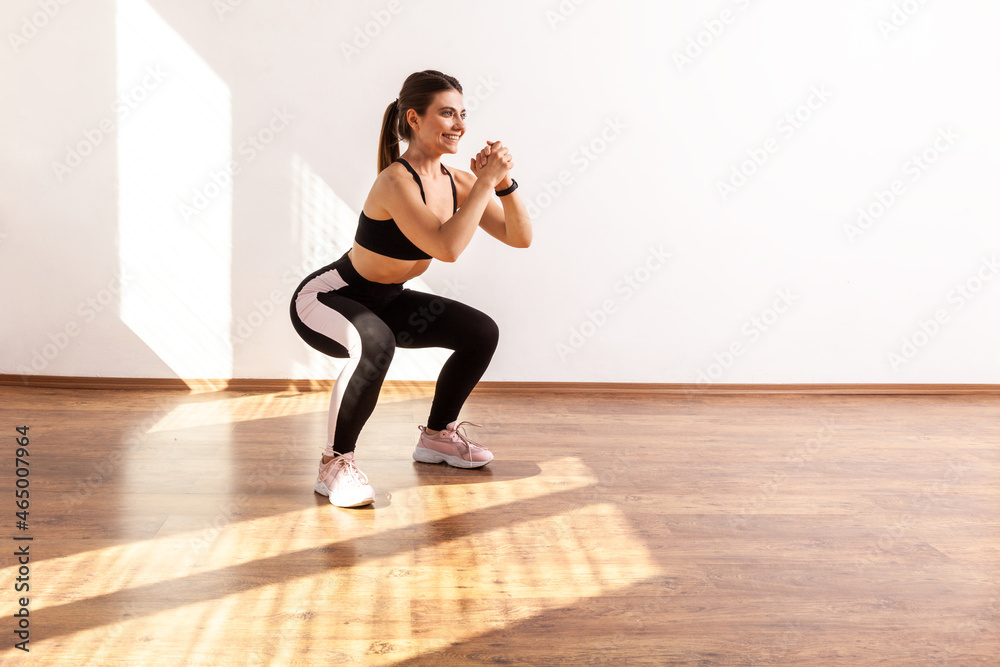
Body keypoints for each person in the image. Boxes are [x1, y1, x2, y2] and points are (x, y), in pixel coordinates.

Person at [289, 70, 532, 508]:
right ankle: (334, 464)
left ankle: (438, 438)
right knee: (375, 343)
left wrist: (503, 184)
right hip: (328, 297)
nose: (458, 123)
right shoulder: (396, 181)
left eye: (462, 114)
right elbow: (447, 247)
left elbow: (521, 237)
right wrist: (482, 184)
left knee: (481, 332)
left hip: (387, 299)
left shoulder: (458, 182)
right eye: (446, 113)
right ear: (414, 119)